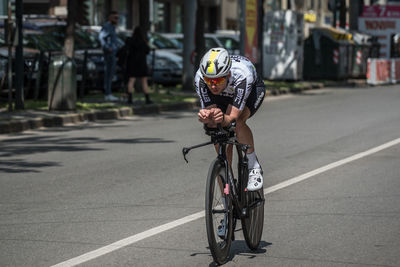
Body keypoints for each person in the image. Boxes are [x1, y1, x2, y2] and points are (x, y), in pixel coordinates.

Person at [195, 47, 266, 191]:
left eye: (218, 79)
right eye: (209, 80)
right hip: (224, 93)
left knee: (237, 122)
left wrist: (222, 119)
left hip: (250, 89)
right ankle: (227, 193)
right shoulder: (200, 79)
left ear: (227, 74)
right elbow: (213, 116)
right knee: (217, 130)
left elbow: (231, 117)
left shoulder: (242, 74)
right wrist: (207, 117)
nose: (213, 85)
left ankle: (253, 167)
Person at [125, 26, 153, 104]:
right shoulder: (143, 42)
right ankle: (147, 98)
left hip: (132, 63)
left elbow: (127, 50)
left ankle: (129, 98)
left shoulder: (130, 41)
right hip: (141, 63)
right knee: (144, 81)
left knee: (131, 80)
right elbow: (147, 51)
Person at [99, 11, 120, 101]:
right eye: (115, 18)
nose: (117, 20)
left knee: (111, 73)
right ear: (110, 18)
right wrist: (108, 48)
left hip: (113, 53)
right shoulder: (107, 27)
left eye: (117, 18)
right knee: (108, 73)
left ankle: (109, 92)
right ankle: (108, 93)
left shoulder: (112, 27)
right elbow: (101, 37)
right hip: (109, 54)